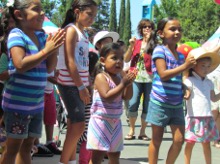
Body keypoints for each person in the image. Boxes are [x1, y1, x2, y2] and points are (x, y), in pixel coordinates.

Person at [0, 0, 65, 164]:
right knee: (12, 148)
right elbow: (20, 64)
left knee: (28, 147)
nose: (42, 13)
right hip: (18, 105)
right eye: (36, 9)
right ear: (19, 14)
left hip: (36, 105)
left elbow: (49, 67)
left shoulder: (41, 35)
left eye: (42, 9)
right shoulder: (16, 34)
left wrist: (54, 49)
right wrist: (46, 50)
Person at [146, 17, 196, 164]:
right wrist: (185, 66)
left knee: (179, 140)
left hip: (176, 104)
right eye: (172, 29)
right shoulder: (159, 50)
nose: (177, 32)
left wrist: (183, 86)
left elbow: (176, 77)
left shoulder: (181, 56)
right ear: (161, 33)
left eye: (179, 29)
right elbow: (163, 75)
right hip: (159, 103)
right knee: (157, 140)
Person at [56, 1, 97, 164]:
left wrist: (87, 84)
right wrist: (81, 86)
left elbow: (83, 63)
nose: (92, 19)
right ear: (77, 11)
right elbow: (70, 61)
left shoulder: (83, 34)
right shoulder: (71, 31)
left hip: (79, 85)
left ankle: (71, 160)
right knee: (79, 125)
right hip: (70, 84)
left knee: (75, 125)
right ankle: (64, 161)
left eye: (94, 16)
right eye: (89, 14)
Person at [86, 42, 137, 164]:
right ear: (103, 61)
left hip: (115, 122)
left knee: (115, 154)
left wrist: (129, 84)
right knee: (98, 155)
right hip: (101, 122)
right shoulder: (101, 77)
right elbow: (107, 96)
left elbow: (126, 96)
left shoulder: (120, 78)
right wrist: (124, 83)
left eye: (121, 58)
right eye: (114, 58)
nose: (119, 61)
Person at [184, 46, 220, 164]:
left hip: (207, 117)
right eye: (203, 65)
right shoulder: (189, 80)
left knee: (206, 144)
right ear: (194, 66)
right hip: (194, 117)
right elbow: (186, 95)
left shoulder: (209, 82)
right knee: (190, 143)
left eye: (208, 66)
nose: (206, 69)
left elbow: (213, 99)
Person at [124, 19, 157, 140]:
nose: (147, 29)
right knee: (133, 104)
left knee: (147, 105)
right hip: (136, 78)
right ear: (141, 30)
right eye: (144, 27)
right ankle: (131, 129)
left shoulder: (156, 44)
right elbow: (126, 59)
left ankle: (142, 131)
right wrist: (131, 47)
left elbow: (157, 60)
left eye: (149, 27)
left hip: (150, 78)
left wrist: (150, 42)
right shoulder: (136, 43)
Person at [33, 71, 62, 157]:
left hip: (50, 90)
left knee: (51, 116)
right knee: (37, 118)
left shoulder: (53, 58)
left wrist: (56, 76)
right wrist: (49, 77)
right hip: (39, 90)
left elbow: (56, 72)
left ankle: (49, 142)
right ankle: (36, 144)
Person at [208, 65, 220, 148]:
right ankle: (213, 138)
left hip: (215, 75)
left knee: (218, 115)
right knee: (214, 111)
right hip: (213, 75)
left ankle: (215, 139)